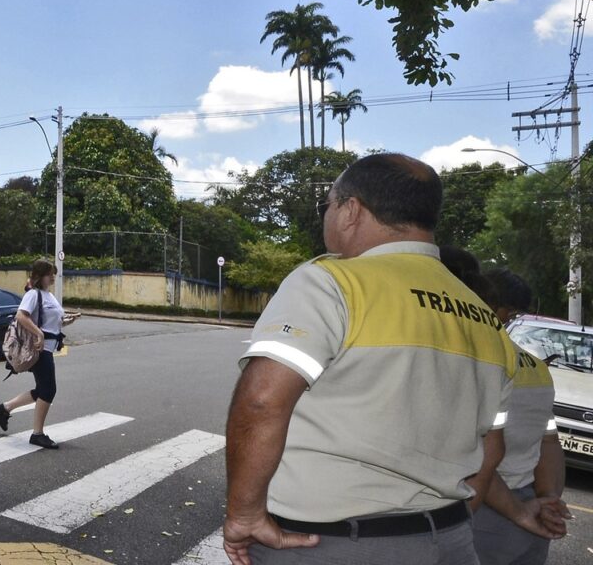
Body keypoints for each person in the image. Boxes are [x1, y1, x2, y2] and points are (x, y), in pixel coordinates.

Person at [223, 154, 517, 565]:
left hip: (333, 545)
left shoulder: (332, 282)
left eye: (325, 206)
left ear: (351, 210)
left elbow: (262, 400)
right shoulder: (487, 322)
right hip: (450, 542)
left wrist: (244, 513)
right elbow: (494, 445)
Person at [472, 266, 569, 565]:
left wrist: (521, 510)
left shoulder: (476, 362)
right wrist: (548, 499)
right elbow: (549, 442)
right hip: (528, 509)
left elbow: (479, 455)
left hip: (484, 511)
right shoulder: (537, 369)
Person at [0, 259, 74, 450]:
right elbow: (21, 316)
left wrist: (67, 321)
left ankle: (5, 408)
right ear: (40, 276)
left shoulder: (49, 296)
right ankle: (37, 434)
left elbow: (51, 322)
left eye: (53, 273)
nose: (53, 276)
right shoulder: (33, 294)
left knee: (42, 390)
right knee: (49, 390)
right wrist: (38, 332)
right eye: (49, 274)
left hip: (48, 347)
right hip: (40, 349)